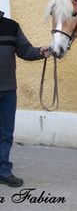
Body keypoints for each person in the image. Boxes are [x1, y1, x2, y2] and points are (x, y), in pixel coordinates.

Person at [0, 10, 50, 187]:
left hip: (8, 90)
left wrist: (39, 52)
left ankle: (4, 172)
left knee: (6, 134)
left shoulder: (11, 26)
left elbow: (24, 50)